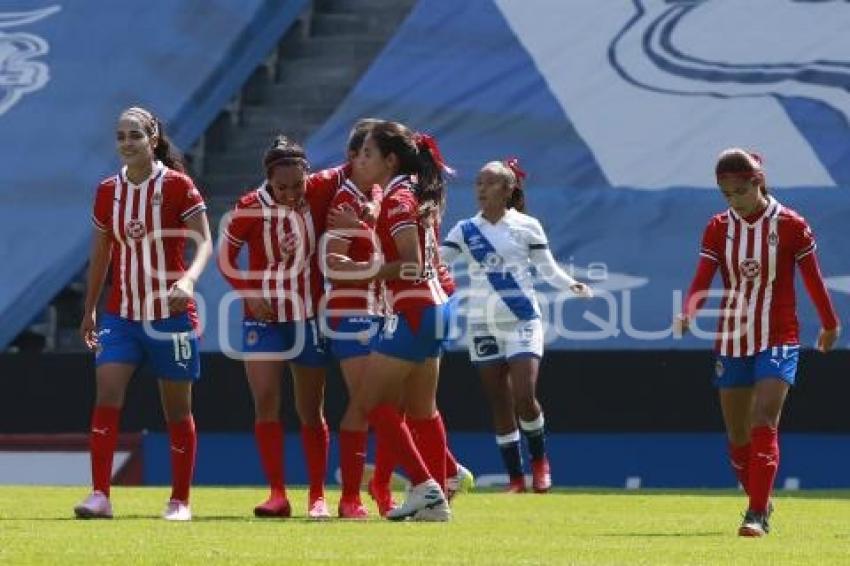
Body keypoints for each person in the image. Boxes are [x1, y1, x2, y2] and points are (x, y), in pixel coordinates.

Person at [674, 148, 840, 537]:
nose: (734, 201)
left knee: (764, 419)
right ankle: (761, 498)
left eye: (739, 192)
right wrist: (689, 310)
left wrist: (830, 323)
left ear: (757, 183)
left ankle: (755, 515)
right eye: (726, 194)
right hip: (732, 337)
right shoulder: (718, 227)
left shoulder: (791, 224)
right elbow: (703, 275)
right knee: (737, 436)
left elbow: (813, 280)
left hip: (779, 334)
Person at [75, 106, 213, 521]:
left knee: (177, 410)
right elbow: (101, 254)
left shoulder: (178, 187)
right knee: (107, 395)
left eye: (134, 135)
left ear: (153, 139)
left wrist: (187, 281)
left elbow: (205, 242)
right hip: (121, 315)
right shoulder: (106, 191)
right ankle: (100, 495)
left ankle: (180, 500)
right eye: (120, 136)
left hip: (170, 316)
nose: (126, 143)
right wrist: (90, 311)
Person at [440, 158, 593, 494]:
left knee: (525, 397)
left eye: (489, 182)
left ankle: (540, 463)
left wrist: (572, 284)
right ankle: (515, 479)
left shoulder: (527, 226)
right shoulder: (465, 230)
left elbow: (547, 268)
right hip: (482, 324)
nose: (480, 188)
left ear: (508, 189)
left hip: (522, 319)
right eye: (478, 182)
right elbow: (439, 261)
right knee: (498, 400)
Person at [325, 121, 453, 521]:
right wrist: (366, 224)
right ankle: (438, 490)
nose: (360, 161)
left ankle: (426, 489)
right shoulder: (411, 190)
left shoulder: (398, 196)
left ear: (390, 159)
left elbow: (411, 266)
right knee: (420, 410)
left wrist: (357, 270)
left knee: (372, 403)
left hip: (413, 308)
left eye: (368, 154)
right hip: (437, 308)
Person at [218, 136, 343, 519]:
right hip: (263, 320)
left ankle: (318, 496)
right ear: (268, 180)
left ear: (308, 175)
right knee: (267, 401)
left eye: (297, 185)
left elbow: (359, 167)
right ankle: (277, 494)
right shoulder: (249, 208)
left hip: (307, 316)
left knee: (311, 408)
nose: (290, 193)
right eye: (282, 186)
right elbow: (225, 258)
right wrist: (248, 293)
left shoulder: (321, 191)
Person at [320, 118, 385, 518]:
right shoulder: (345, 199)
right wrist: (384, 265)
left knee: (384, 405)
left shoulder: (374, 192)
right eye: (369, 153)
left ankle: (375, 487)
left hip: (379, 309)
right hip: (351, 309)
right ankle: (350, 496)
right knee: (366, 404)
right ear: (356, 157)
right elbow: (333, 265)